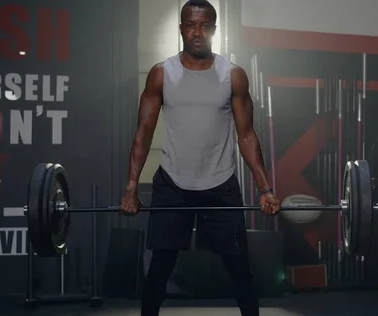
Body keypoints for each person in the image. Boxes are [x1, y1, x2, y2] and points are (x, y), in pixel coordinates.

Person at [119, 0, 281, 315]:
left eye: (205, 25)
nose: (197, 32)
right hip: (173, 183)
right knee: (160, 268)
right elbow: (143, 134)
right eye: (191, 25)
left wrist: (265, 189)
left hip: (220, 184)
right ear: (181, 28)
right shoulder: (161, 74)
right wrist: (131, 188)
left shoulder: (233, 75)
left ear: (214, 30)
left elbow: (246, 135)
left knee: (239, 268)